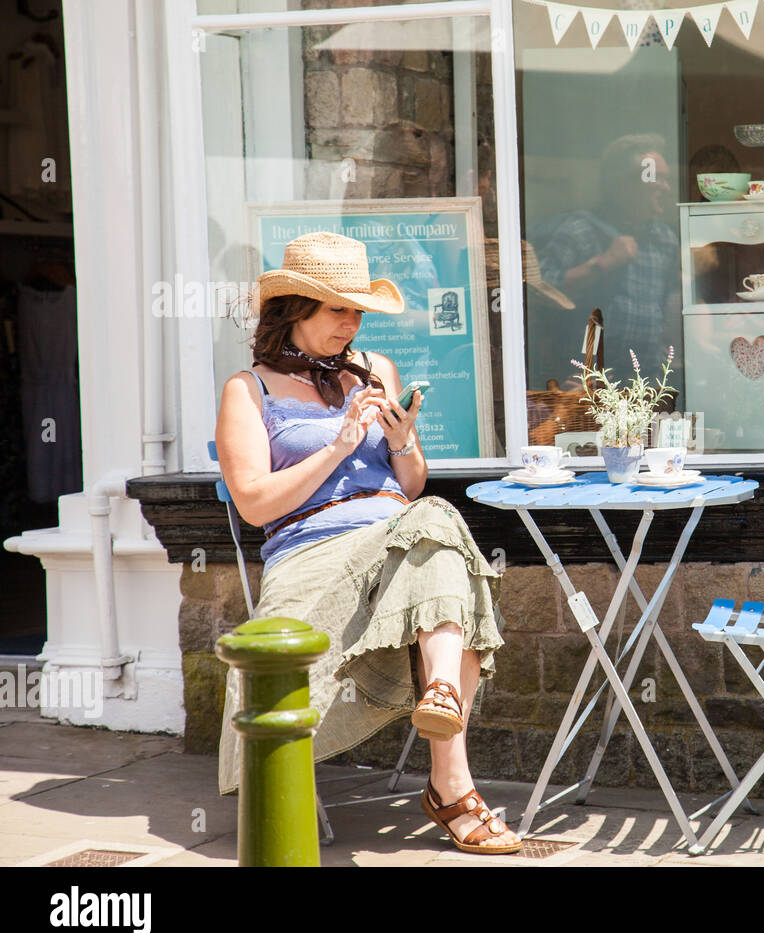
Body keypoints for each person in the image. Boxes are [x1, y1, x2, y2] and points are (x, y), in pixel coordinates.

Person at [214, 231, 520, 854]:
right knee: (440, 544)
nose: (351, 324)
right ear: (295, 308)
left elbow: (409, 482)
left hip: (396, 534)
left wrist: (402, 439)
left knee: (432, 515)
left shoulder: (376, 370)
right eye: (338, 309)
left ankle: (440, 705)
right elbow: (253, 505)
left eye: (358, 311)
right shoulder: (249, 389)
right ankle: (452, 788)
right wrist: (339, 445)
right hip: (312, 546)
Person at [534, 133, 683, 383]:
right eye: (657, 179)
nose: (666, 188)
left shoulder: (664, 239)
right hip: (589, 382)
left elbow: (668, 304)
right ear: (623, 184)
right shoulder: (580, 230)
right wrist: (603, 263)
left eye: (667, 180)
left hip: (646, 381)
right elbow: (541, 291)